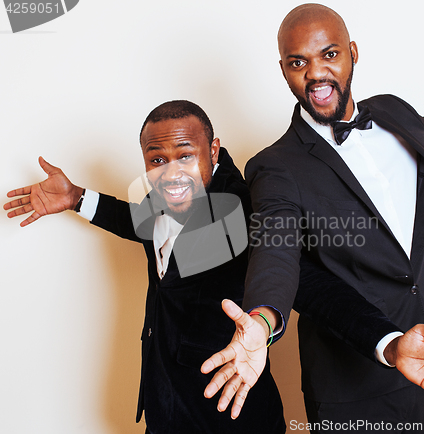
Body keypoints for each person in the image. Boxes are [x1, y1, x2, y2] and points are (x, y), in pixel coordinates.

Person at [201, 4, 424, 433]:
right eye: (298, 62)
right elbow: (276, 251)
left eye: (330, 54)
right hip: (351, 382)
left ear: (353, 52)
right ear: (283, 69)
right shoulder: (276, 166)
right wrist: (262, 321)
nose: (316, 73)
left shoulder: (396, 115)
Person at [3, 100, 287, 434]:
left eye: (185, 155)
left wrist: (269, 322)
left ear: (213, 150)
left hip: (228, 413)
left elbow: (289, 272)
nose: (172, 171)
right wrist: (77, 198)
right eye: (157, 160)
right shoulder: (171, 195)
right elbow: (148, 229)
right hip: (164, 404)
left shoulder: (244, 207)